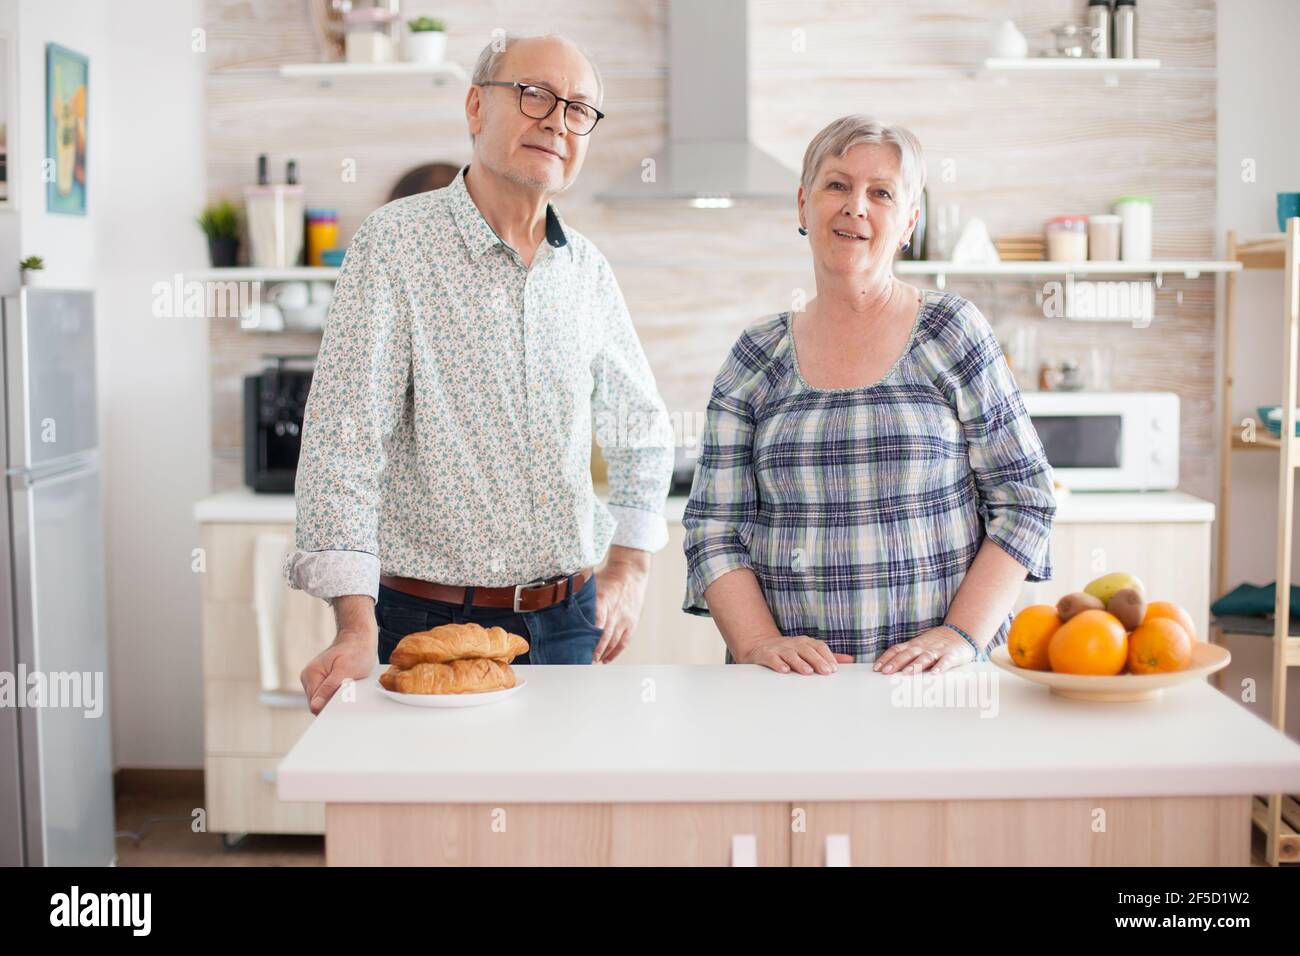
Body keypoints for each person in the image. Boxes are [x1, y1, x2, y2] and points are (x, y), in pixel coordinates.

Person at [290, 34, 673, 714]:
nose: (557, 120)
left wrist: (631, 567)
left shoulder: (586, 269)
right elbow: (343, 445)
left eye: (578, 108)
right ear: (475, 106)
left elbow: (640, 426)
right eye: (533, 95)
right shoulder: (395, 245)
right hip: (424, 624)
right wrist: (354, 623)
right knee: (433, 821)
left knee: (560, 817)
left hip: (568, 623)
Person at [682, 115, 1055, 676]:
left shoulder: (951, 331)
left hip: (938, 686)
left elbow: (1025, 500)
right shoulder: (757, 354)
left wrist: (959, 636)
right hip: (789, 691)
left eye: (881, 192)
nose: (856, 205)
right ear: (803, 204)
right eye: (837, 185)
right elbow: (714, 528)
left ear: (908, 222)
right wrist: (757, 642)